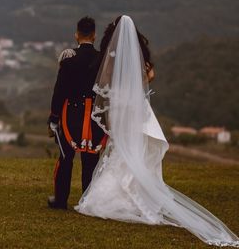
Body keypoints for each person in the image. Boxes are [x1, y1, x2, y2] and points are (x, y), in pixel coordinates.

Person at [76, 15, 239, 247]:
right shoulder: (139, 58)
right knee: (136, 149)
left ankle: (117, 197)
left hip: (120, 106)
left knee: (120, 149)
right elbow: (149, 78)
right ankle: (137, 195)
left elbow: (106, 87)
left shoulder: (110, 58)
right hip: (136, 107)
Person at [46, 16, 106, 209]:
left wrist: (54, 118)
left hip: (70, 115)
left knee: (66, 157)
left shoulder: (69, 61)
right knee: (90, 159)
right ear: (94, 36)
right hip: (95, 116)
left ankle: (61, 200)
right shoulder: (102, 61)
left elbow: (59, 91)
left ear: (77, 35)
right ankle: (88, 201)